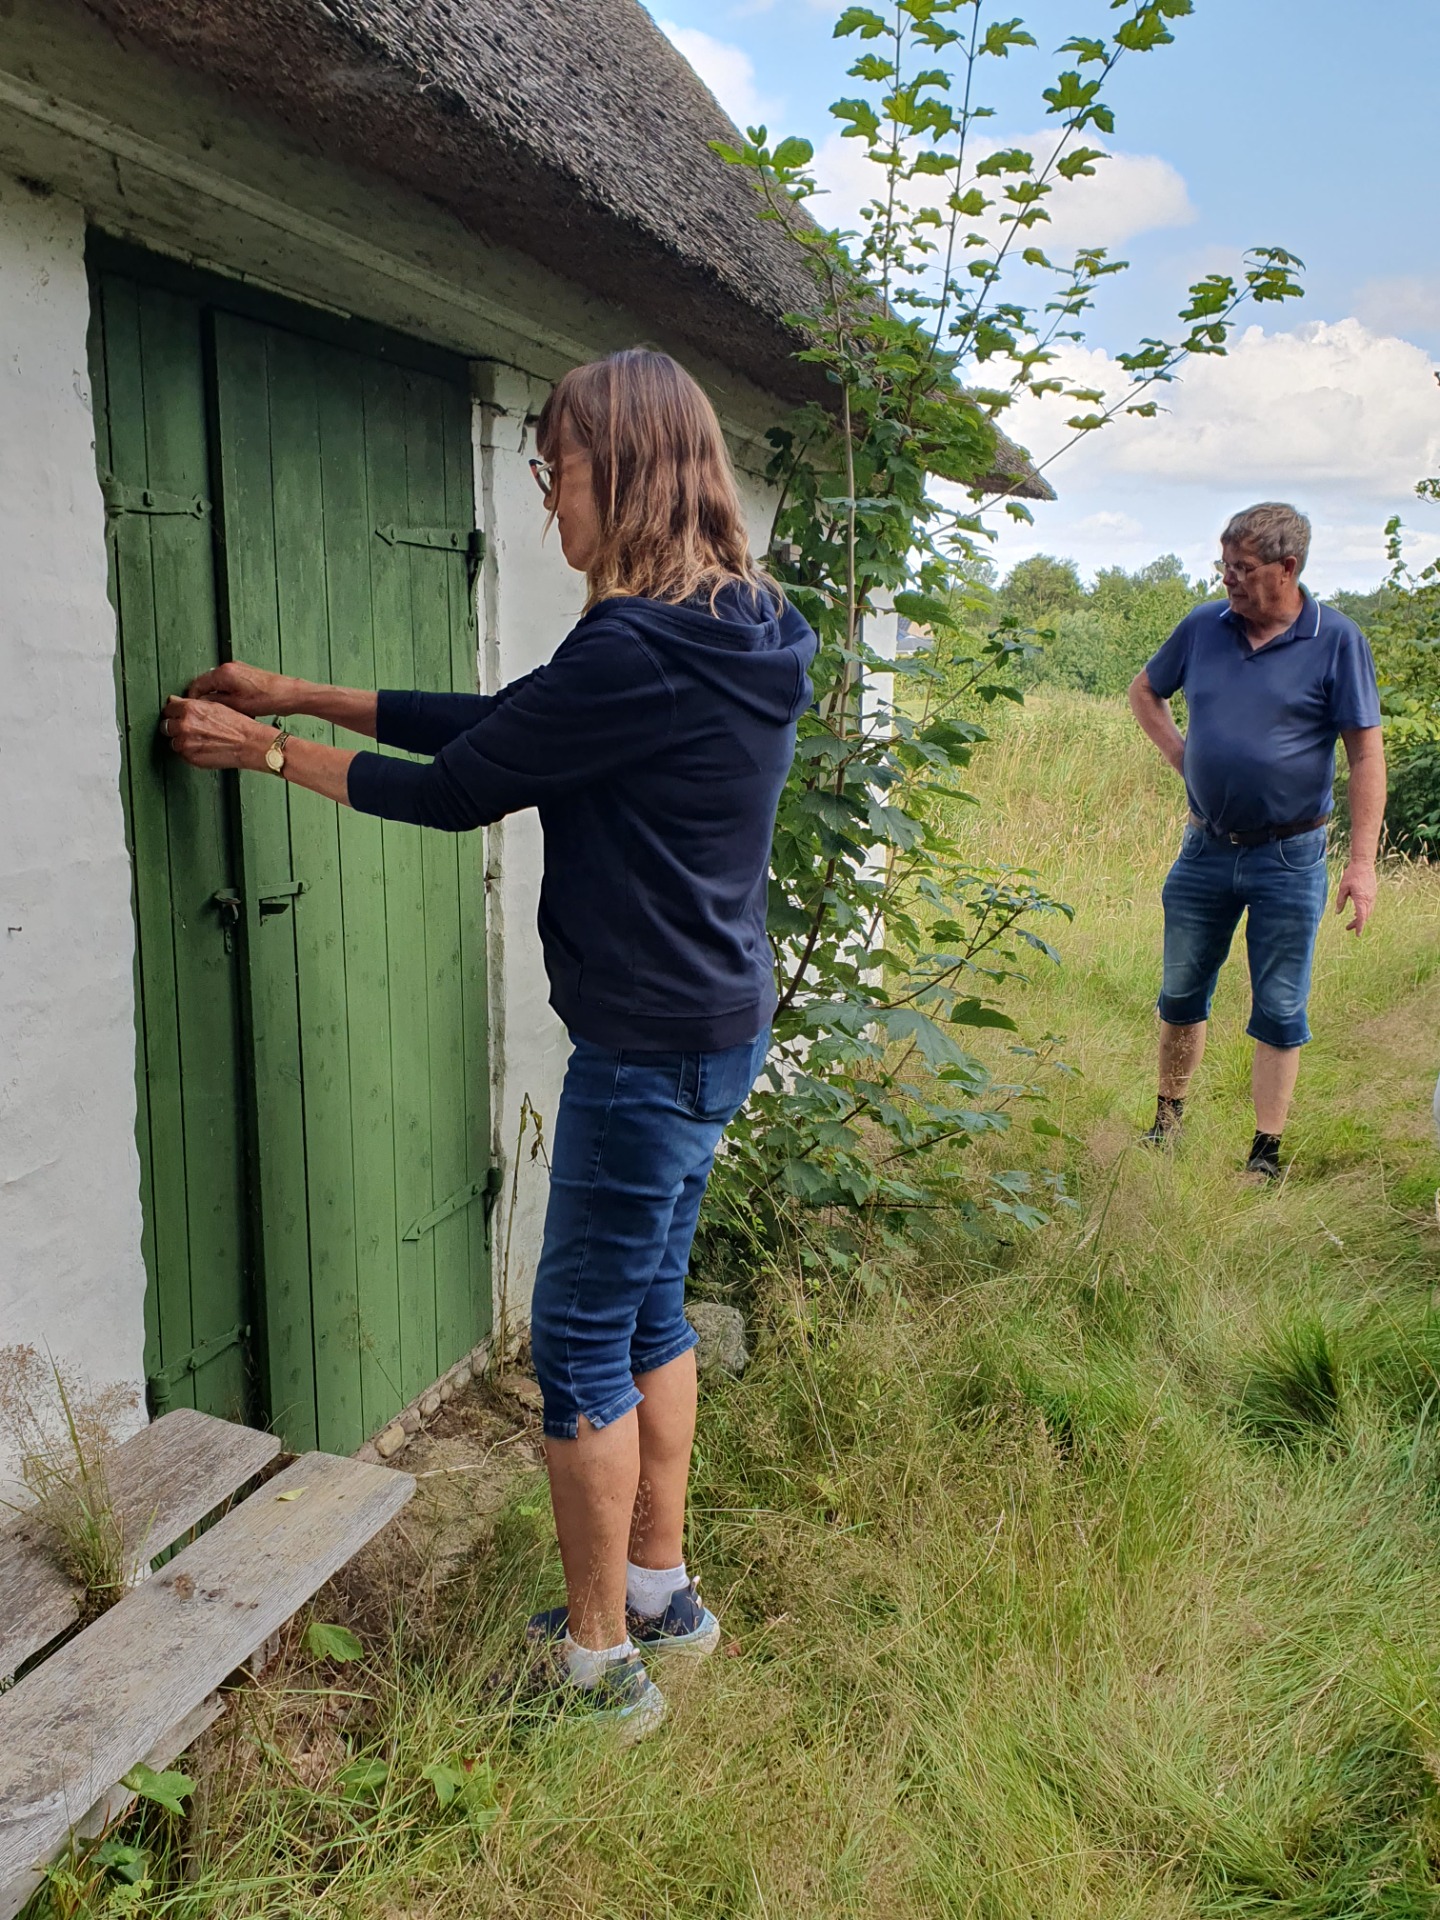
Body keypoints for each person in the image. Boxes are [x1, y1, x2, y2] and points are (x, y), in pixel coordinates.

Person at [162, 348, 817, 1740]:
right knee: (649, 1310)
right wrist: (302, 693)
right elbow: (515, 729)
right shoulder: (751, 624)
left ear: (618, 471)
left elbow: (460, 788)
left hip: (643, 1050)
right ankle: (660, 1595)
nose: (546, 499)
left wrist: (257, 751)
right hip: (716, 1025)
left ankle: (596, 1669)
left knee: (577, 1341)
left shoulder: (633, 647)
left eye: (554, 469)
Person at [1127, 502, 1385, 1180]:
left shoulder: (1337, 640)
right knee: (1181, 991)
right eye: (1224, 565)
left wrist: (1362, 862)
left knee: (1279, 1003)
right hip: (1204, 849)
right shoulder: (1202, 627)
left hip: (1290, 857)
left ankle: (1264, 1153)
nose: (1228, 580)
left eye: (1242, 568)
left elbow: (1365, 755)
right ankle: (1167, 1124)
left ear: (1286, 567)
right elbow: (1145, 691)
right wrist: (1184, 757)